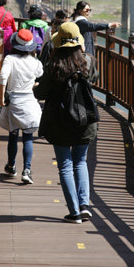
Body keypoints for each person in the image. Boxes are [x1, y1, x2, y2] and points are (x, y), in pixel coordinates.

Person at [34, 21, 98, 223]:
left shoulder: (53, 65)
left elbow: (41, 93)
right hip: (84, 120)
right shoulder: (88, 61)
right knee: (81, 161)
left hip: (59, 121)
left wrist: (36, 87)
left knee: (65, 166)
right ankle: (84, 204)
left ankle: (74, 212)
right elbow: (94, 78)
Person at [0, 29, 43, 184]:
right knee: (28, 137)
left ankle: (11, 166)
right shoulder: (36, 62)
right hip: (29, 101)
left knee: (13, 135)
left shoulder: (10, 59)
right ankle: (27, 170)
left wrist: (0, 97)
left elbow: (3, 76)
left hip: (14, 101)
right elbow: (39, 77)